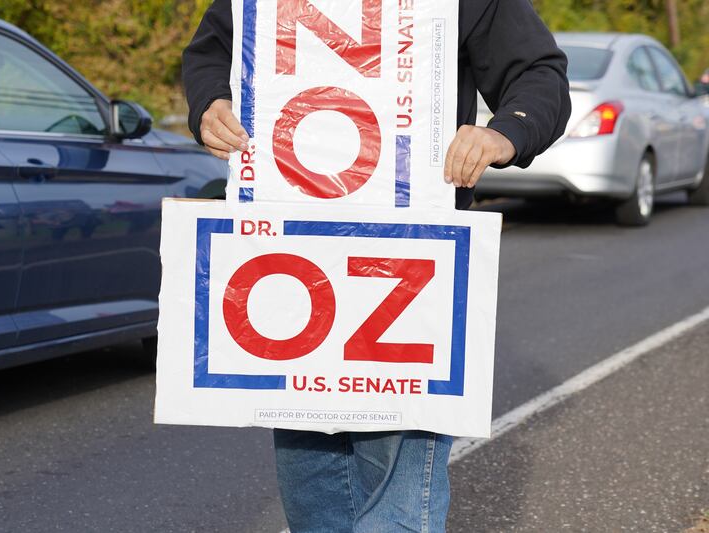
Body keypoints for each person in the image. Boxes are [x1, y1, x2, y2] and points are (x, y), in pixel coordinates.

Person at [182, 1, 571, 531]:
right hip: (292, 260)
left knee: (398, 489)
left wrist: (507, 132)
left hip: (411, 258)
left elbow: (537, 72)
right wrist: (210, 102)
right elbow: (211, 53)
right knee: (312, 490)